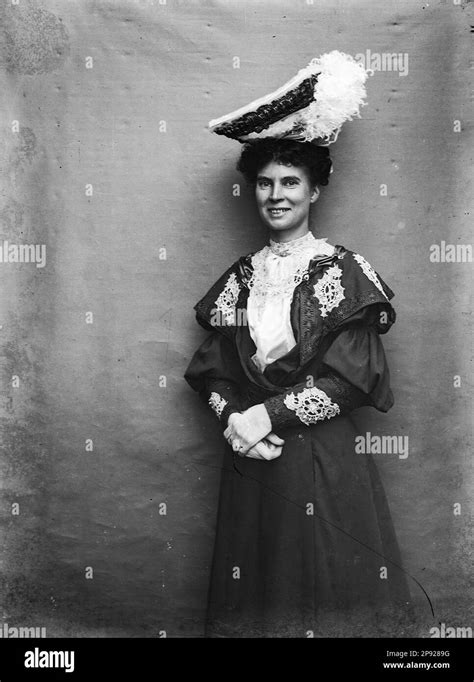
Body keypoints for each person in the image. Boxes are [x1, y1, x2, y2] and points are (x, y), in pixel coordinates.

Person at [184, 52, 412, 637]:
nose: (276, 195)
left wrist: (268, 413)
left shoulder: (345, 272)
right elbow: (213, 373)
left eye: (291, 182)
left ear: (314, 191)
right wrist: (235, 419)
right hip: (252, 462)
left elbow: (354, 378)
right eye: (265, 183)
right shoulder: (240, 277)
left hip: (322, 463)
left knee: (326, 601)